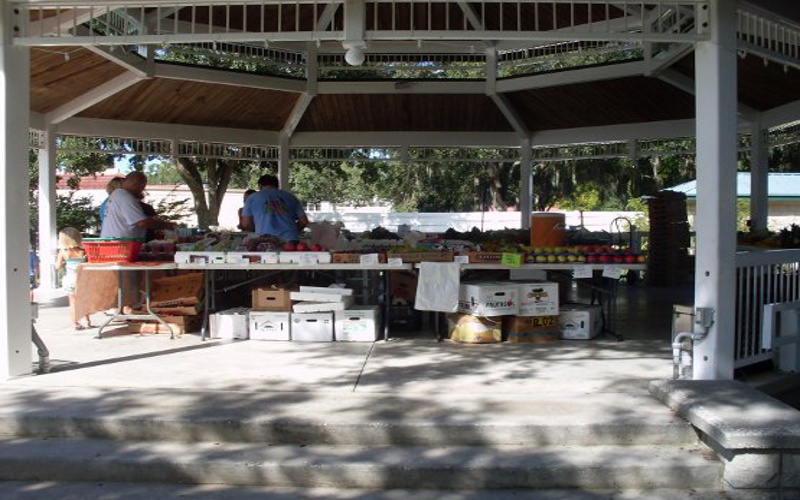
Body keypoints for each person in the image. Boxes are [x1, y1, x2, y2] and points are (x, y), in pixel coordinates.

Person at [100, 172, 177, 239]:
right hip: (120, 246)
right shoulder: (125, 196)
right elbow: (141, 222)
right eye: (143, 186)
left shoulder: (117, 195)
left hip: (115, 243)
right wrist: (165, 225)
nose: (142, 189)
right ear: (138, 184)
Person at [240, 175, 309, 242]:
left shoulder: (252, 198)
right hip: (290, 239)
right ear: (277, 185)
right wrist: (292, 231)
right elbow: (303, 221)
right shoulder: (290, 197)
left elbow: (246, 224)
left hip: (264, 240)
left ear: (260, 186)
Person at [55, 227, 92, 331]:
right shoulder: (83, 251)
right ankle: (87, 321)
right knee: (84, 301)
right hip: (83, 279)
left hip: (70, 280)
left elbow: (57, 266)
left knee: (73, 302)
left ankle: (75, 323)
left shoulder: (63, 252)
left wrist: (62, 263)